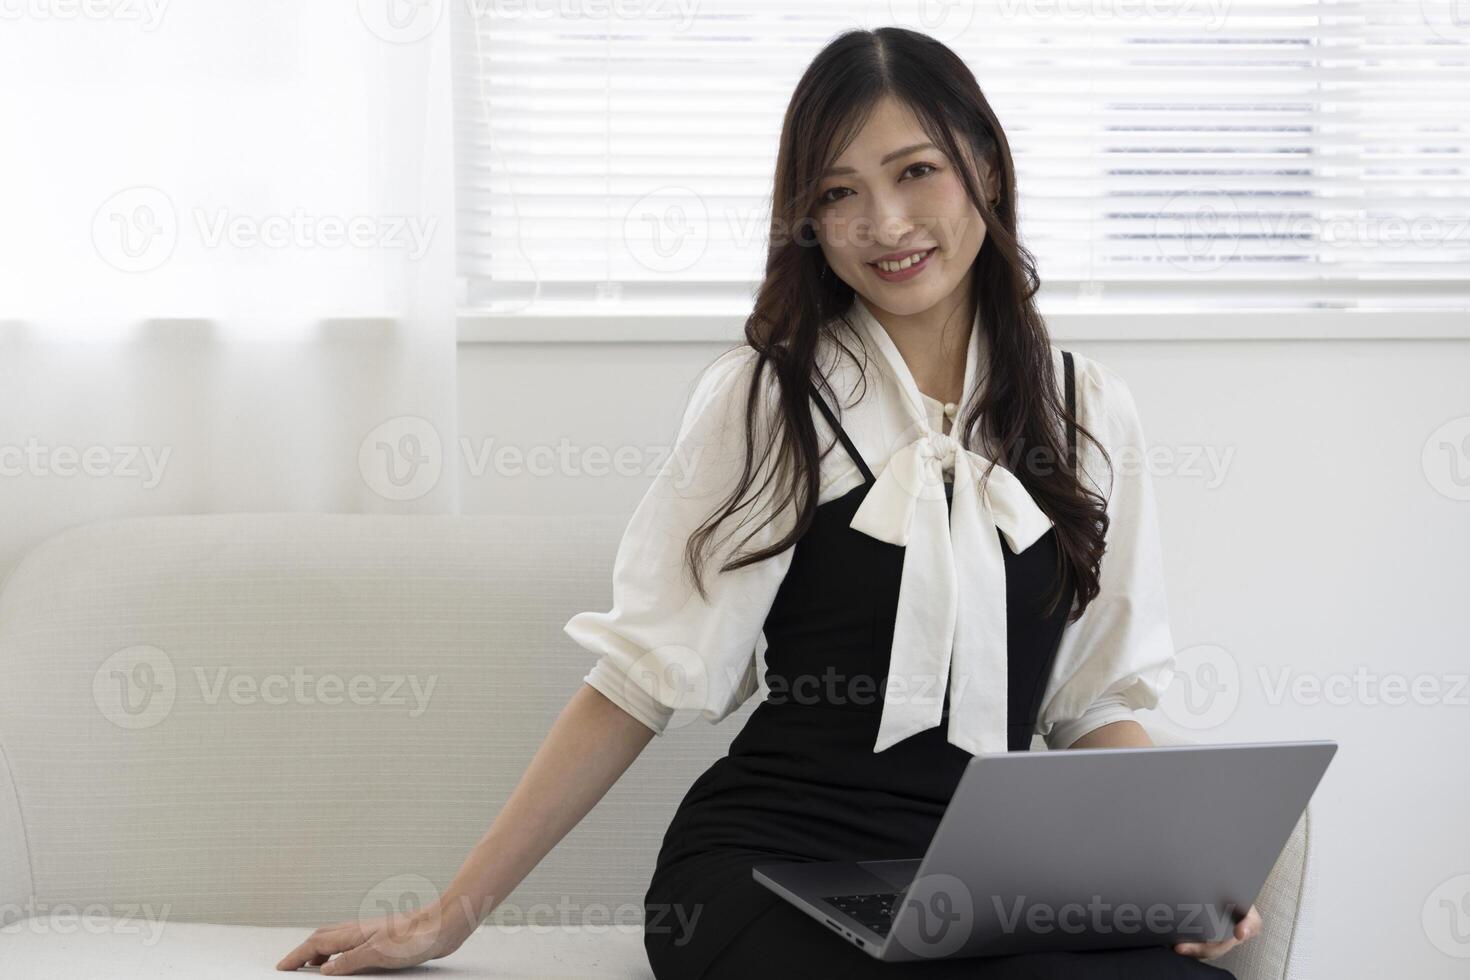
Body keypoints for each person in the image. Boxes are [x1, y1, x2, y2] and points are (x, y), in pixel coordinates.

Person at [276, 26, 1259, 978]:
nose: (884, 223)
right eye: (840, 193)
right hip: (770, 866)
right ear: (810, 220)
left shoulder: (1087, 410)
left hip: (978, 884)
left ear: (985, 168)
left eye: (916, 171)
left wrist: (1176, 872)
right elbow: (637, 681)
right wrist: (448, 913)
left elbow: (1091, 705)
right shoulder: (770, 398)